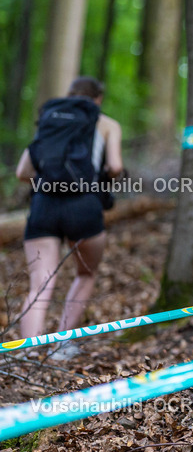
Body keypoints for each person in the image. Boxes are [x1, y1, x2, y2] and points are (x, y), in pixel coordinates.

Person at [14, 76, 123, 360]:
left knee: (40, 282)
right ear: (98, 99)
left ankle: (27, 354)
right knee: (86, 273)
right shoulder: (107, 123)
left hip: (43, 204)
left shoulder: (52, 121)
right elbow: (115, 166)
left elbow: (22, 172)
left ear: (70, 94)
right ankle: (61, 346)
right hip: (84, 205)